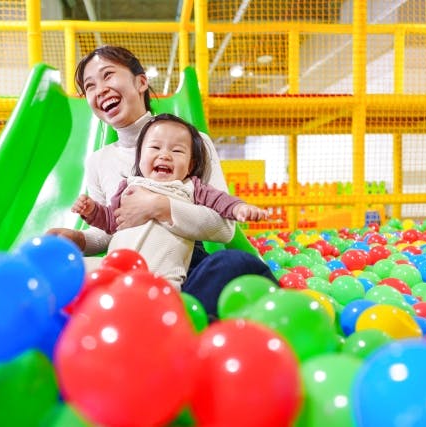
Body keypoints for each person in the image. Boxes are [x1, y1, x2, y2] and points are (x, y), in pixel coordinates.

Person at [47, 45, 276, 317]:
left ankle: (174, 320)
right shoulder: (99, 161)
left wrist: (159, 206)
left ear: (141, 82)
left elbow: (223, 228)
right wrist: (79, 239)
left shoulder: (191, 142)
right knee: (55, 271)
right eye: (90, 86)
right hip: (124, 267)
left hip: (179, 265)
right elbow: (111, 229)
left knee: (234, 263)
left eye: (108, 76)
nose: (100, 89)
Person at [71, 113, 269, 289]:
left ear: (190, 165)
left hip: (161, 280)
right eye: (155, 147)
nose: (164, 155)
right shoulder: (128, 187)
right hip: (114, 270)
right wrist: (92, 211)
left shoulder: (191, 188)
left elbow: (220, 201)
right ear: (139, 158)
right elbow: (111, 221)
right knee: (74, 269)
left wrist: (238, 208)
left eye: (177, 151)